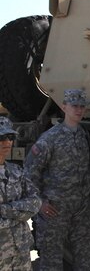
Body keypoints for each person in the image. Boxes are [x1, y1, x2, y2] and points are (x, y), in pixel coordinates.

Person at [24, 89, 90, 271]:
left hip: (81, 210)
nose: (79, 110)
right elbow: (30, 172)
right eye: (74, 106)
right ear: (64, 107)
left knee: (86, 259)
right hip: (55, 211)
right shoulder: (50, 138)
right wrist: (39, 203)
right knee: (51, 261)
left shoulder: (83, 135)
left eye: (82, 106)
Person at [0, 116, 42, 271]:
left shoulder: (16, 171)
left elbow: (35, 202)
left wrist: (5, 210)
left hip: (21, 252)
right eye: (1, 137)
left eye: (10, 137)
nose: (7, 142)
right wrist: (19, 216)